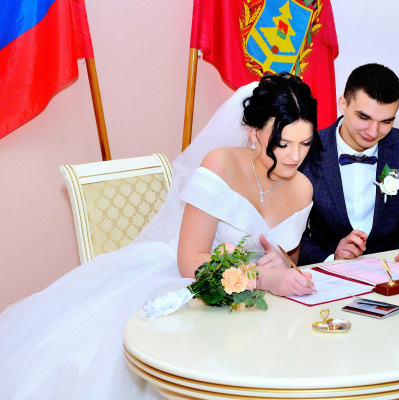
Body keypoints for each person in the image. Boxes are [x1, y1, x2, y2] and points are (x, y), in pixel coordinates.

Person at [0, 73, 317, 400]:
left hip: (255, 311)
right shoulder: (221, 164)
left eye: (304, 144)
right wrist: (261, 278)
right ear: (253, 132)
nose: (294, 156)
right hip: (189, 286)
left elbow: (288, 263)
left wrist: (283, 265)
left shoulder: (303, 189)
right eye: (283, 144)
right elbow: (190, 261)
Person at [298, 63, 399, 265]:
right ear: (342, 104)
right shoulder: (307, 149)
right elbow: (287, 237)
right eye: (363, 117)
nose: (373, 132)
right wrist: (331, 258)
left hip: (393, 273)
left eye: (386, 121)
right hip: (325, 274)